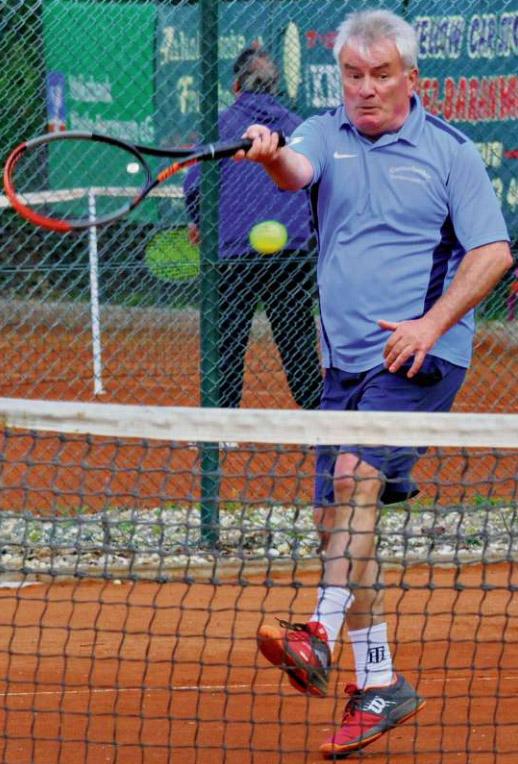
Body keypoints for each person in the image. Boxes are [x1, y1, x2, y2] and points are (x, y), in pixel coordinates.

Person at [236, 9, 513, 758]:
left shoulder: (450, 153)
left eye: (380, 75)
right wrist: (270, 156)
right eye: (353, 75)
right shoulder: (322, 133)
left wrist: (430, 324)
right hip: (344, 363)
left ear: (410, 79)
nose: (365, 89)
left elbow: (493, 252)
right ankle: (381, 680)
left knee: (356, 479)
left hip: (421, 356)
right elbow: (295, 169)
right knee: (335, 521)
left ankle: (319, 631)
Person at [183, 46, 322, 409]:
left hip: (232, 251)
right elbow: (316, 185)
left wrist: (198, 220)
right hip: (292, 250)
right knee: (297, 341)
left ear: (236, 86)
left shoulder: (218, 124)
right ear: (275, 86)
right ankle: (317, 418)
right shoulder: (297, 126)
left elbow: (195, 184)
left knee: (225, 343)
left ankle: (221, 423)